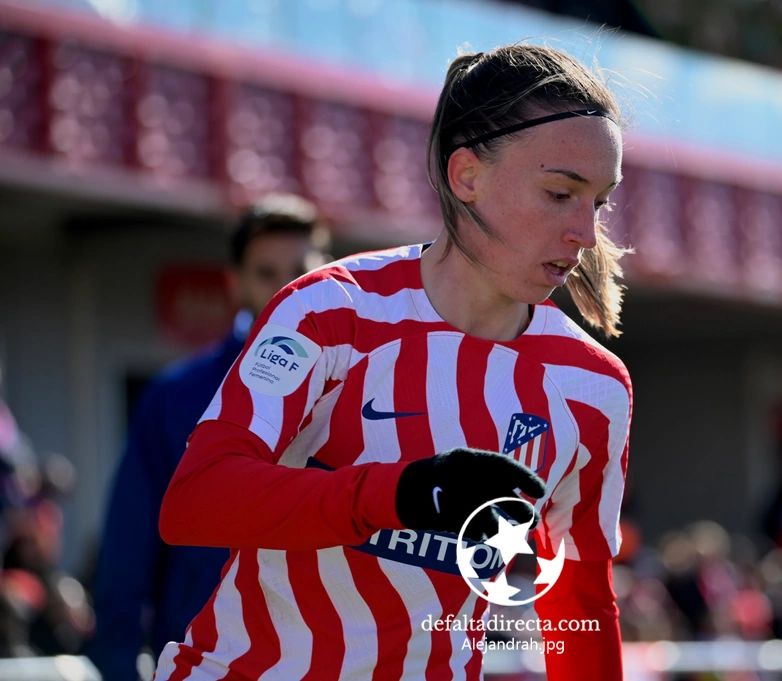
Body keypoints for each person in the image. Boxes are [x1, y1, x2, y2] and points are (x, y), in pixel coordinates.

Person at [155, 44, 633, 681]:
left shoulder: (594, 386)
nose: (584, 230)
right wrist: (403, 491)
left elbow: (579, 598)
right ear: (467, 176)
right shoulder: (331, 311)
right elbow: (195, 502)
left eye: (598, 203)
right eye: (559, 193)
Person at [89, 194, 330, 681]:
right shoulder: (175, 397)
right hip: (209, 658)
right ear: (235, 282)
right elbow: (129, 542)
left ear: (329, 271)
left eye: (301, 268)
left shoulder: (363, 391)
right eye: (266, 272)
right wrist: (117, 662)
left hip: (338, 654)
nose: (287, 287)